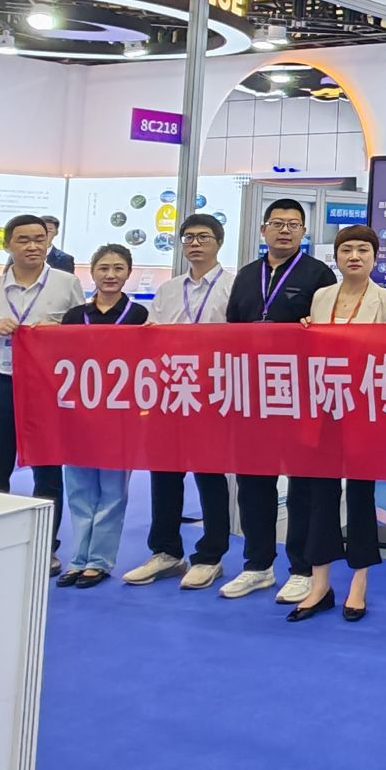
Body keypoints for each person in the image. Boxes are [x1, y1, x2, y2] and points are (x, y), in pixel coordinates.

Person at [224, 199, 339, 604]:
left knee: (302, 482)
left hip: (299, 394)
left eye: (293, 224)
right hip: (253, 394)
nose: (285, 230)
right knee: (253, 480)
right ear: (263, 230)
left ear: (304, 232)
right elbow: (231, 329)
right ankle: (257, 565)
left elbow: (326, 332)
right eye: (277, 223)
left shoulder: (319, 275)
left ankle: (302, 568)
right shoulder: (246, 275)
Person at [0, 214, 84, 575]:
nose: (33, 246)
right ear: (8, 245)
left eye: (39, 239)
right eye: (24, 240)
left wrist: (56, 333)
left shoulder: (67, 284)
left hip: (48, 389)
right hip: (1, 385)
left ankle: (46, 547)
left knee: (48, 473)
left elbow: (82, 336)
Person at [289, 226, 386, 624]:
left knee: (360, 494)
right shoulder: (321, 297)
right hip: (322, 407)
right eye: (347, 249)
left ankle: (359, 580)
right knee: (320, 493)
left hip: (363, 408)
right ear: (335, 257)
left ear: (375, 257)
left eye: (363, 250)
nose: (354, 256)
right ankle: (320, 582)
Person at [125, 214, 236, 589]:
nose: (195, 243)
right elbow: (152, 338)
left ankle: (210, 555)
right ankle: (166, 552)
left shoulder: (234, 287)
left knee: (210, 474)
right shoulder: (169, 290)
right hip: (169, 391)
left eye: (203, 237)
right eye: (188, 237)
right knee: (165, 473)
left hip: (213, 392)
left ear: (218, 242)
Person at [58, 244, 149, 588]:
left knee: (112, 491)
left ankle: (99, 561)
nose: (111, 275)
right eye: (104, 268)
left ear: (128, 273)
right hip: (77, 413)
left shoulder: (139, 315)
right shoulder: (73, 316)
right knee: (79, 488)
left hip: (120, 414)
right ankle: (77, 558)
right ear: (92, 272)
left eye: (118, 268)